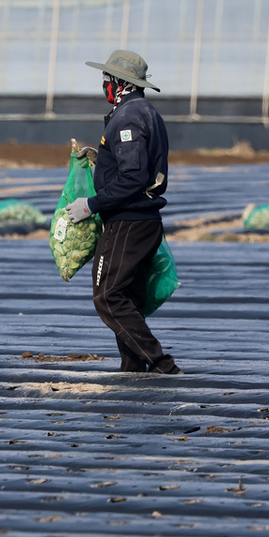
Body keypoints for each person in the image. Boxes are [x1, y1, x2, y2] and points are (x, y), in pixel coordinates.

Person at [64, 50, 181, 374]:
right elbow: (134, 163)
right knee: (126, 297)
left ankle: (162, 365)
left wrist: (91, 204)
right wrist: (102, 159)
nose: (103, 85)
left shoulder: (129, 116)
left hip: (129, 222)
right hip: (142, 222)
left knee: (108, 296)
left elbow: (133, 176)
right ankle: (132, 370)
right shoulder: (144, 111)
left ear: (121, 83)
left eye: (107, 79)